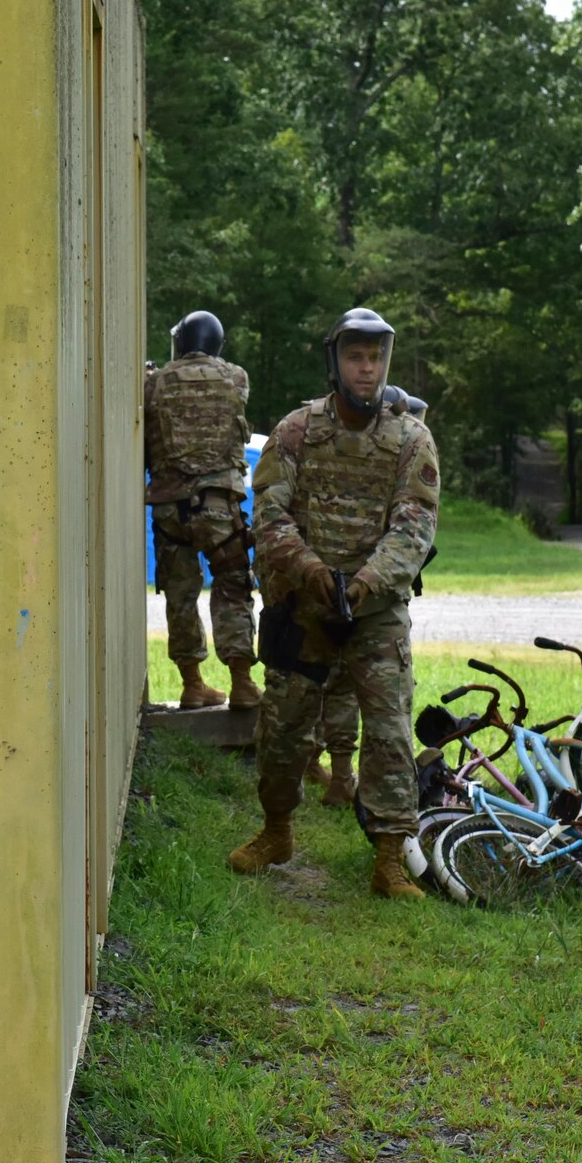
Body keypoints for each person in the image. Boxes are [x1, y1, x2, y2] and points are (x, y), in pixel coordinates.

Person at [227, 310, 440, 899]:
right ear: (335, 362)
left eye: (375, 358)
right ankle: (276, 831)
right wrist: (311, 571)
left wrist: (370, 581)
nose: (366, 370)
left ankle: (390, 860)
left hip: (375, 611)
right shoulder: (296, 432)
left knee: (391, 732)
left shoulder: (411, 439)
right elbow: (270, 515)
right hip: (306, 607)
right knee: (284, 726)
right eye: (355, 357)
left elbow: (415, 528)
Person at [301, 384, 429, 807]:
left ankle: (339, 776)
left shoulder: (403, 452)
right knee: (339, 689)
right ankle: (337, 776)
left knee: (342, 691)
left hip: (361, 592)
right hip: (349, 593)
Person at [145, 310, 260, 710]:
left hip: (170, 511)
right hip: (219, 510)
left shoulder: (154, 384)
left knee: (180, 596)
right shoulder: (237, 378)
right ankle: (243, 683)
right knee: (232, 588)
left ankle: (193, 685)